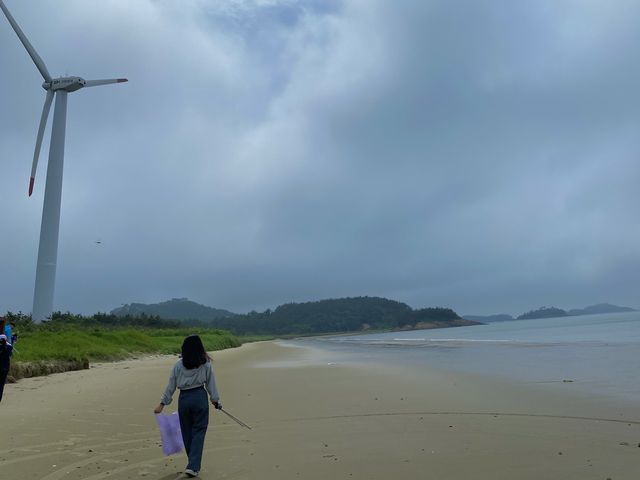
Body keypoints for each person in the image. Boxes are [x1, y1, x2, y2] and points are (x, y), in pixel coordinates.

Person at [154, 335, 221, 478]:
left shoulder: (178, 365)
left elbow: (170, 386)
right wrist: (215, 400)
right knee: (199, 430)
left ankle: (192, 463)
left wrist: (162, 404)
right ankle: (193, 465)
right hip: (199, 397)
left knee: (187, 431)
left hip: (184, 399)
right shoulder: (206, 364)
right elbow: (211, 385)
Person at [0, 334, 13, 403]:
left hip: (4, 368)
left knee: (1, 384)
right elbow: (10, 354)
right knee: (1, 384)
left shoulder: (8, 347)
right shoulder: (9, 346)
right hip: (5, 368)